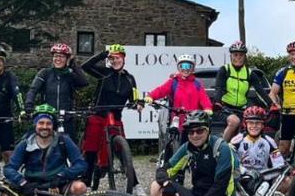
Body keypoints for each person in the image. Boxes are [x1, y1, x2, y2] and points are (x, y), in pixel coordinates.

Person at [4, 103, 89, 196]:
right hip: (33, 188)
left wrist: (62, 176)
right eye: (41, 123)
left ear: (53, 125)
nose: (45, 127)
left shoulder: (63, 140)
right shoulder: (25, 144)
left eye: (48, 123)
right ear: (35, 124)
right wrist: (22, 183)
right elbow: (9, 168)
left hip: (57, 187)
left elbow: (81, 164)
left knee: (79, 187)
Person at [81, 43, 139, 185]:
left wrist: (138, 103)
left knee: (122, 151)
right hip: (98, 115)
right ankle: (86, 181)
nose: (115, 61)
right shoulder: (104, 73)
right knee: (91, 148)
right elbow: (85, 67)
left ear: (123, 59)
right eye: (112, 58)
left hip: (115, 117)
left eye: (118, 58)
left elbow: (134, 98)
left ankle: (135, 184)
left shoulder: (130, 79)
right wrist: (102, 55)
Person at [145, 54, 213, 156]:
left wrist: (207, 108)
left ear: (192, 68)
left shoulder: (197, 83)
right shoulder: (174, 82)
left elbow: (203, 98)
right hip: (179, 121)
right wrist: (151, 96)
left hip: (194, 120)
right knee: (179, 148)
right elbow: (161, 90)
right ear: (179, 67)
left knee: (197, 146)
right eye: (183, 66)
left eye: (188, 66)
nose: (185, 69)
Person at [229, 105, 287, 196]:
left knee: (284, 180)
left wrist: (267, 176)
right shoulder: (237, 140)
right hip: (242, 176)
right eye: (251, 123)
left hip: (261, 177)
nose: (254, 126)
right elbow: (228, 158)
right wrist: (243, 171)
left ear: (262, 125)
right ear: (245, 124)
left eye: (257, 123)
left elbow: (279, 164)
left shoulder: (269, 141)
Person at [25, 42, 89, 140]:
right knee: (32, 142)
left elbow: (84, 82)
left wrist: (72, 64)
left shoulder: (70, 75)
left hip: (67, 118)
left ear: (67, 59)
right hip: (48, 117)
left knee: (70, 147)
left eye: (62, 57)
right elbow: (33, 90)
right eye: (55, 56)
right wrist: (29, 105)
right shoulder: (45, 73)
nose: (58, 59)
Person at [214, 41, 272, 140]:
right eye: (235, 55)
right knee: (234, 121)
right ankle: (221, 148)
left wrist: (271, 104)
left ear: (244, 56)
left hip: (242, 108)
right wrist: (217, 103)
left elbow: (260, 90)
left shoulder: (249, 73)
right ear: (231, 56)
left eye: (241, 55)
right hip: (225, 108)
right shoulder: (225, 70)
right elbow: (219, 87)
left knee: (250, 127)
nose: (238, 57)